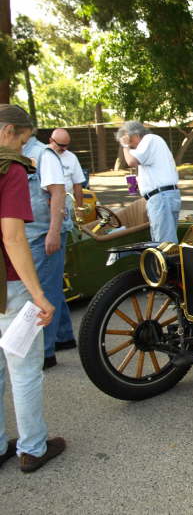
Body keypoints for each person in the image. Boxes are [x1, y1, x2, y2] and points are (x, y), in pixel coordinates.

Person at [0, 104, 65, 472]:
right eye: (24, 140)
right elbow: (12, 237)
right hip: (8, 283)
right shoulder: (9, 168)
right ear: (10, 131)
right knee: (24, 370)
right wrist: (39, 296)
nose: (26, 148)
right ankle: (33, 448)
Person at [22, 127, 70, 369]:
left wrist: (53, 232)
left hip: (42, 234)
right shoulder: (20, 154)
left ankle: (45, 353)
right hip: (31, 234)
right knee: (51, 286)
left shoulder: (42, 155)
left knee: (44, 292)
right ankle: (64, 336)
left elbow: (57, 193)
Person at [47, 129, 85, 352]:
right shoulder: (44, 156)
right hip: (55, 215)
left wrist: (79, 210)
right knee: (53, 278)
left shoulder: (71, 158)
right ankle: (63, 336)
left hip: (66, 214)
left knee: (53, 277)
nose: (63, 150)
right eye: (60, 146)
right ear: (50, 141)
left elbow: (77, 184)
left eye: (66, 146)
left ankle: (58, 339)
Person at [117, 121, 180, 243]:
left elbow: (131, 161)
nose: (130, 146)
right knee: (162, 240)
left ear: (135, 135)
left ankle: (166, 262)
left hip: (161, 197)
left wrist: (124, 146)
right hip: (163, 195)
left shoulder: (149, 139)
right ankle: (165, 261)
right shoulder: (153, 142)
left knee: (164, 244)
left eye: (129, 140)